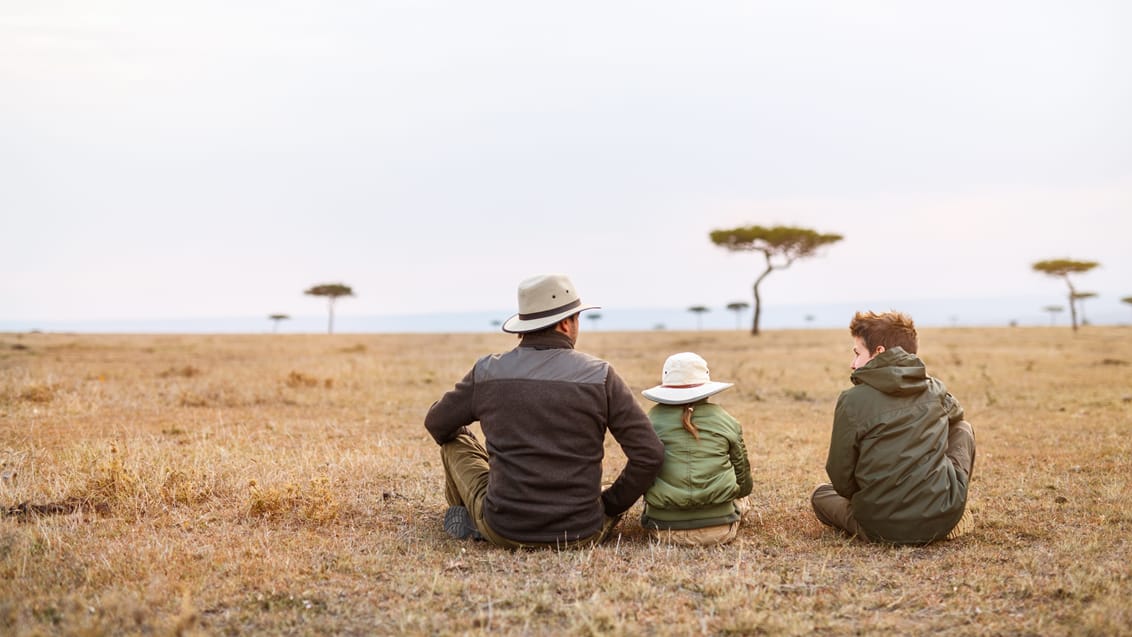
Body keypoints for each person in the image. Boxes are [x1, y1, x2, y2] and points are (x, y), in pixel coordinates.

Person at [424, 273, 665, 548]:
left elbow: (437, 424)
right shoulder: (600, 376)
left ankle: (468, 518)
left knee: (456, 441)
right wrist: (608, 505)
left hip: (504, 528)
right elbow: (650, 454)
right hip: (583, 531)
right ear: (565, 323)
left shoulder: (488, 371)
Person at [811, 310, 976, 544]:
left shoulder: (852, 399)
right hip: (941, 519)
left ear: (879, 352)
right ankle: (950, 508)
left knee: (821, 494)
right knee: (963, 429)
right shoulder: (934, 388)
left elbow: (840, 476)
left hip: (879, 526)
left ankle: (879, 516)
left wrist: (869, 498)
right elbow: (957, 415)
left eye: (857, 354)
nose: (853, 364)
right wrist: (921, 378)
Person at [639, 352, 753, 546]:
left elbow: (640, 472)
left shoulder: (650, 420)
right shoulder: (725, 419)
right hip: (720, 528)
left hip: (663, 530)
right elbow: (744, 482)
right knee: (744, 499)